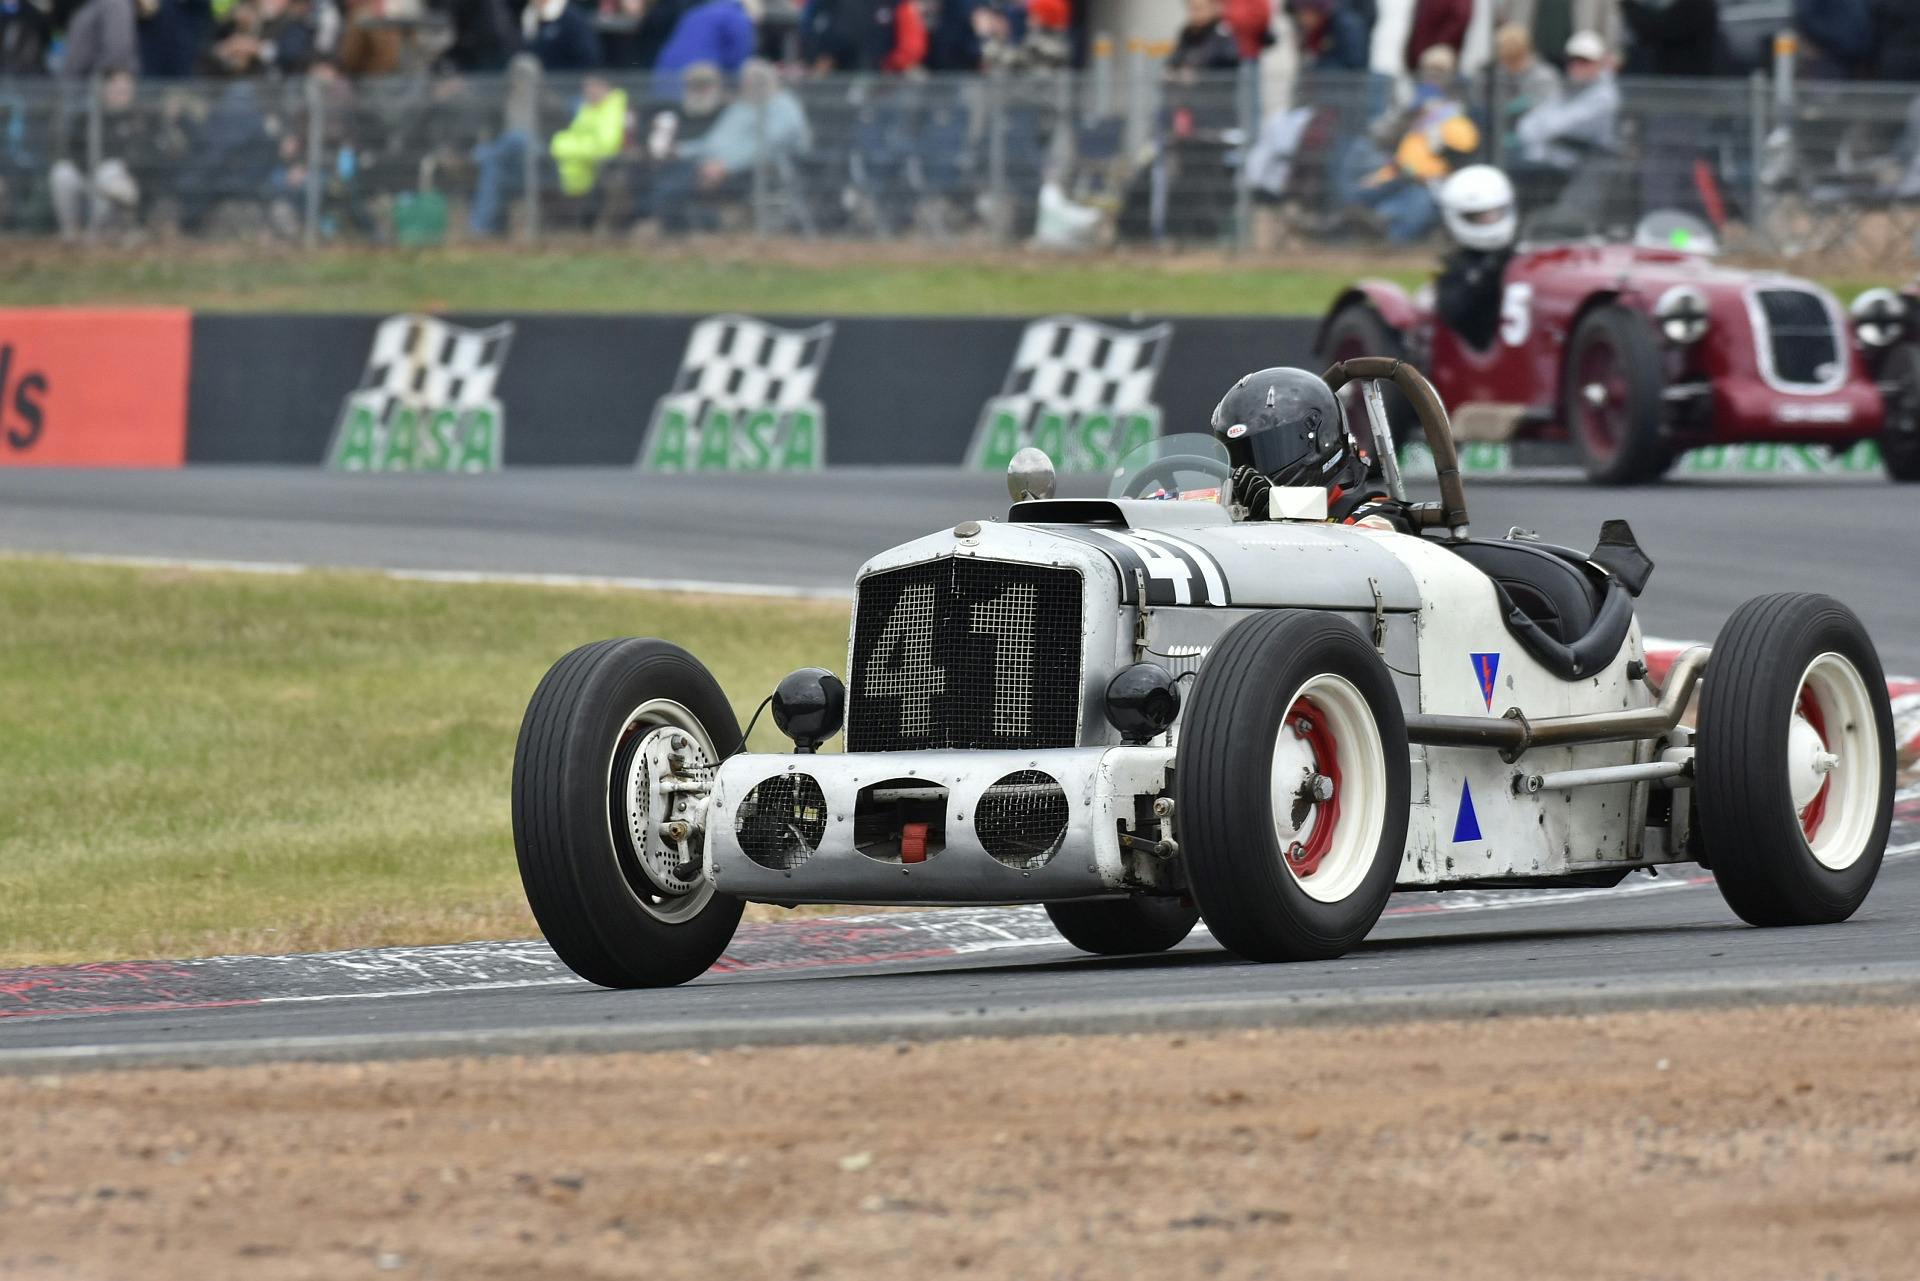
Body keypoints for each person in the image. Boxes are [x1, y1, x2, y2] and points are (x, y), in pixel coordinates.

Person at [1213, 366, 1412, 532]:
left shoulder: (1377, 515)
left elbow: (1356, 561)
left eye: (1269, 451)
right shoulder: (1214, 518)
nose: (1246, 473)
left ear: (1321, 442)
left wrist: (1275, 524)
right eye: (1239, 456)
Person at [1342, 42, 1479, 243]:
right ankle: (1354, 227)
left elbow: (1462, 159)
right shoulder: (1413, 115)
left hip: (1429, 185)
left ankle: (1386, 230)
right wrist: (1406, 118)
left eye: (1440, 71)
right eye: (1429, 70)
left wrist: (1438, 142)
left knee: (1409, 215)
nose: (1433, 76)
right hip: (1400, 174)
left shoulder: (1457, 121)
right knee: (1360, 192)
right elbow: (1382, 137)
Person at [652, 56, 806, 231]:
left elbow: (768, 146)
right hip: (710, 165)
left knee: (676, 184)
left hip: (755, 172)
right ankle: (677, 226)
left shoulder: (784, 107)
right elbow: (713, 141)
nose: (751, 84)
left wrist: (726, 166)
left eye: (757, 80)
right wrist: (679, 150)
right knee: (671, 172)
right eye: (747, 81)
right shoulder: (740, 107)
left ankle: (670, 225)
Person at [49, 68, 146, 241]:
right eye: (116, 89)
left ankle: (100, 235)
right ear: (105, 89)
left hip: (121, 179)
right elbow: (73, 149)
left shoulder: (139, 119)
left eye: (125, 90)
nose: (121, 94)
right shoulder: (88, 116)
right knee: (62, 172)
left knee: (110, 173)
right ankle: (71, 232)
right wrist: (90, 168)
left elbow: (145, 156)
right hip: (87, 172)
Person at [1432, 163, 1516, 351]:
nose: (1490, 221)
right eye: (1480, 216)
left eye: (1496, 214)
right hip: (1480, 354)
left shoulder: (1519, 255)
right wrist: (1485, 277)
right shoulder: (1454, 267)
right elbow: (1453, 312)